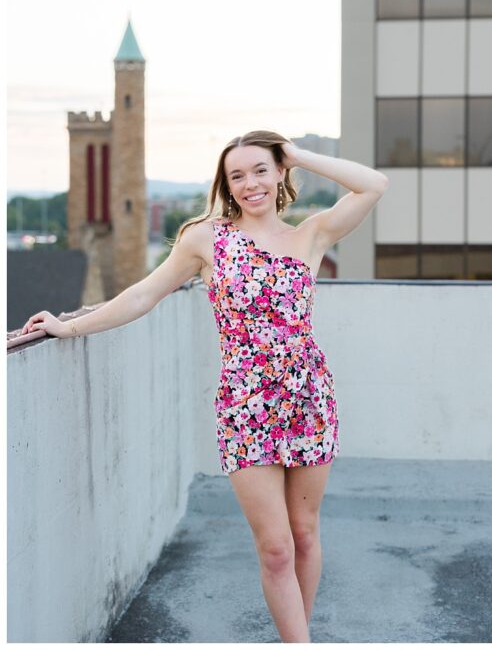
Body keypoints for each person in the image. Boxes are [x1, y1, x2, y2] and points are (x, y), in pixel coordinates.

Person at [20, 130, 388, 640]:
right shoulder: (206, 237)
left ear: (280, 172)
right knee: (275, 547)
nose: (250, 183)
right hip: (243, 405)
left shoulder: (311, 234)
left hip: (309, 399)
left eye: (261, 170)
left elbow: (374, 185)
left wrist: (297, 152)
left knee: (304, 535)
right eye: (237, 176)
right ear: (226, 185)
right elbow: (143, 294)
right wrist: (71, 325)